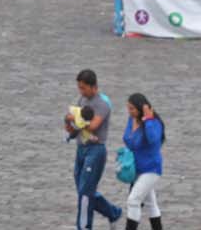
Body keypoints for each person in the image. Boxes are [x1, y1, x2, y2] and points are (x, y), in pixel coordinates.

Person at [63, 68, 121, 230]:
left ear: (93, 86)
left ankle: (83, 226)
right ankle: (112, 212)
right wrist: (70, 126)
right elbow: (75, 124)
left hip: (96, 151)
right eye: (79, 87)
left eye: (83, 87)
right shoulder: (82, 100)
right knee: (84, 191)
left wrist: (74, 118)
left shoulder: (102, 104)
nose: (80, 91)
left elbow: (94, 126)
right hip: (81, 149)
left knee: (85, 194)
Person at [122, 92, 165, 230]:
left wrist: (148, 119)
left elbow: (153, 139)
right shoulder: (131, 119)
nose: (129, 112)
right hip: (138, 169)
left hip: (151, 169)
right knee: (151, 204)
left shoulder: (155, 123)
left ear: (141, 108)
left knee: (133, 200)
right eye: (128, 108)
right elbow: (128, 139)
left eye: (132, 109)